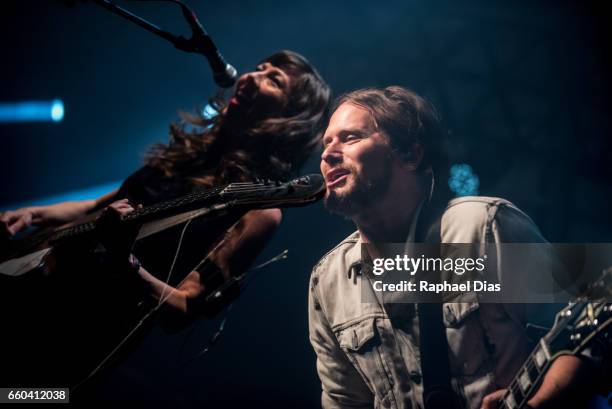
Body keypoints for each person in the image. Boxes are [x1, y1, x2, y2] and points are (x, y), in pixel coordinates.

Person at [0, 50, 330, 387]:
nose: (251, 76)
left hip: (78, 330)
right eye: (259, 68)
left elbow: (185, 306)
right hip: (38, 279)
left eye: (274, 80)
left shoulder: (260, 208)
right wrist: (29, 213)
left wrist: (125, 262)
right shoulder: (193, 151)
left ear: (291, 120)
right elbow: (97, 207)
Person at [309, 86, 597, 409]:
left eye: (350, 138)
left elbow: (588, 332)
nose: (327, 154)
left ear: (410, 155)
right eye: (326, 143)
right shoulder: (327, 281)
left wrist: (539, 402)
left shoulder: (481, 226)